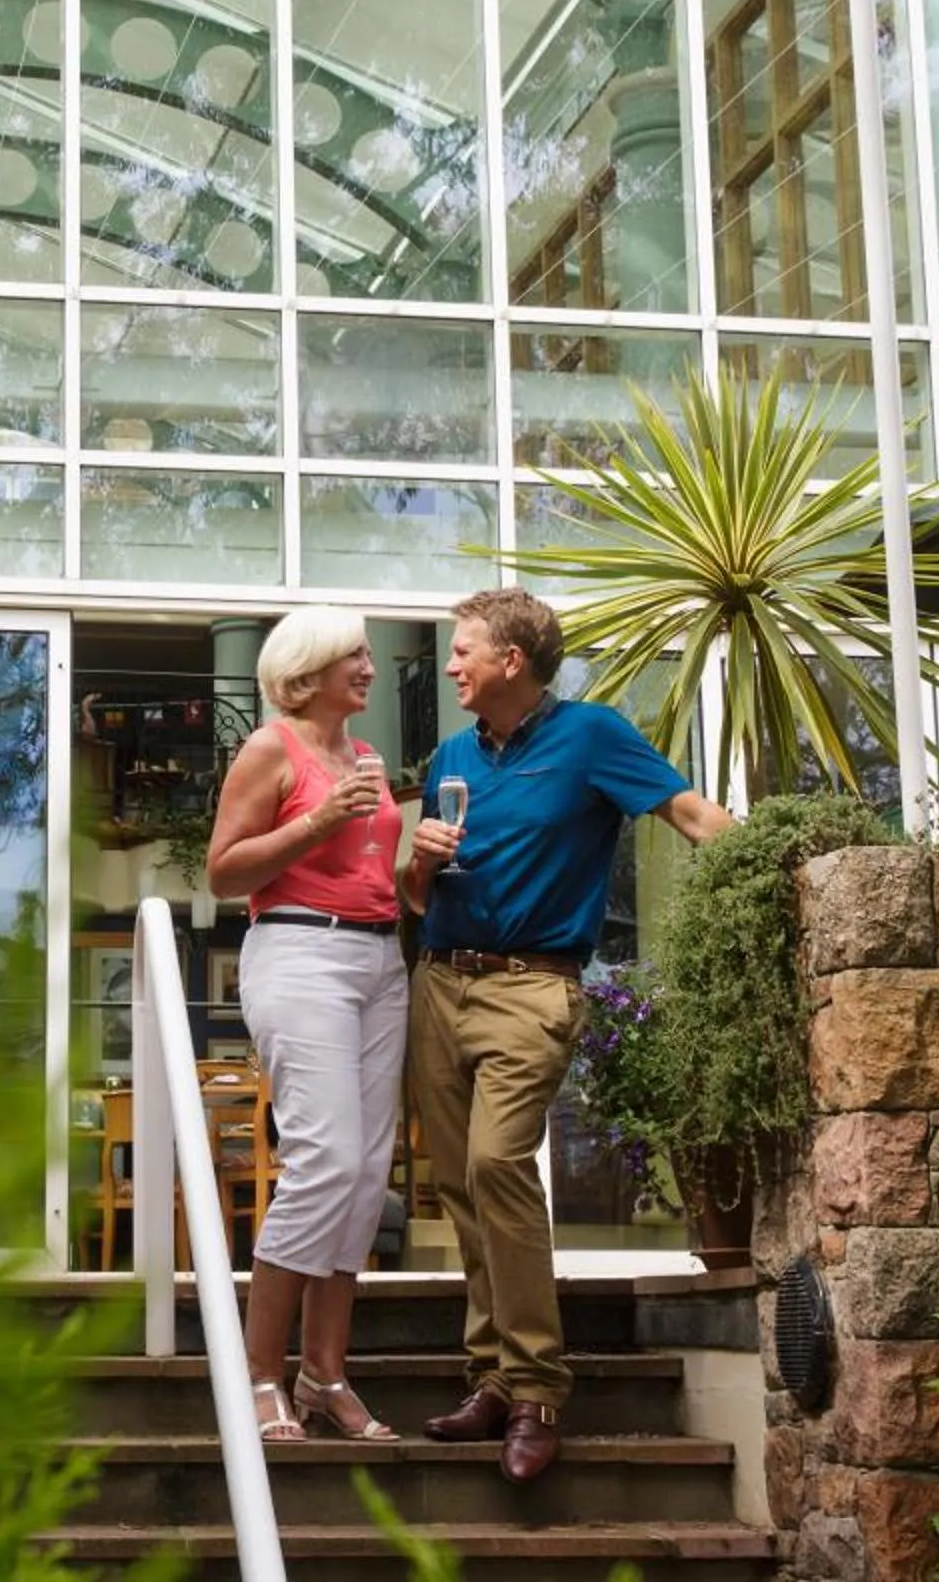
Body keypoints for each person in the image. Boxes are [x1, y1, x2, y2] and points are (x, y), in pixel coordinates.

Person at [401, 587, 735, 1485]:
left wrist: (783, 870)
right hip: (440, 983)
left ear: (513, 661)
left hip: (531, 988)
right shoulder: (451, 755)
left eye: (465, 649)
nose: (453, 664)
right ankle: (494, 1379)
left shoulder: (591, 735)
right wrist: (419, 862)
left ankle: (540, 1388)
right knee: (459, 1188)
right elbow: (415, 896)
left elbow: (693, 817)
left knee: (497, 1164)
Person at [203, 606, 409, 1444]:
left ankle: (325, 1375)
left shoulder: (364, 756)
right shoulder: (270, 748)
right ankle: (259, 1376)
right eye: (354, 655)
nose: (368, 665)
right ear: (308, 669)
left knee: (363, 1176)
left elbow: (370, 868)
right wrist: (318, 820)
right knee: (323, 1161)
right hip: (298, 953)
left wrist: (420, 859)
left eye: (366, 653)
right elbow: (223, 872)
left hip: (379, 959)